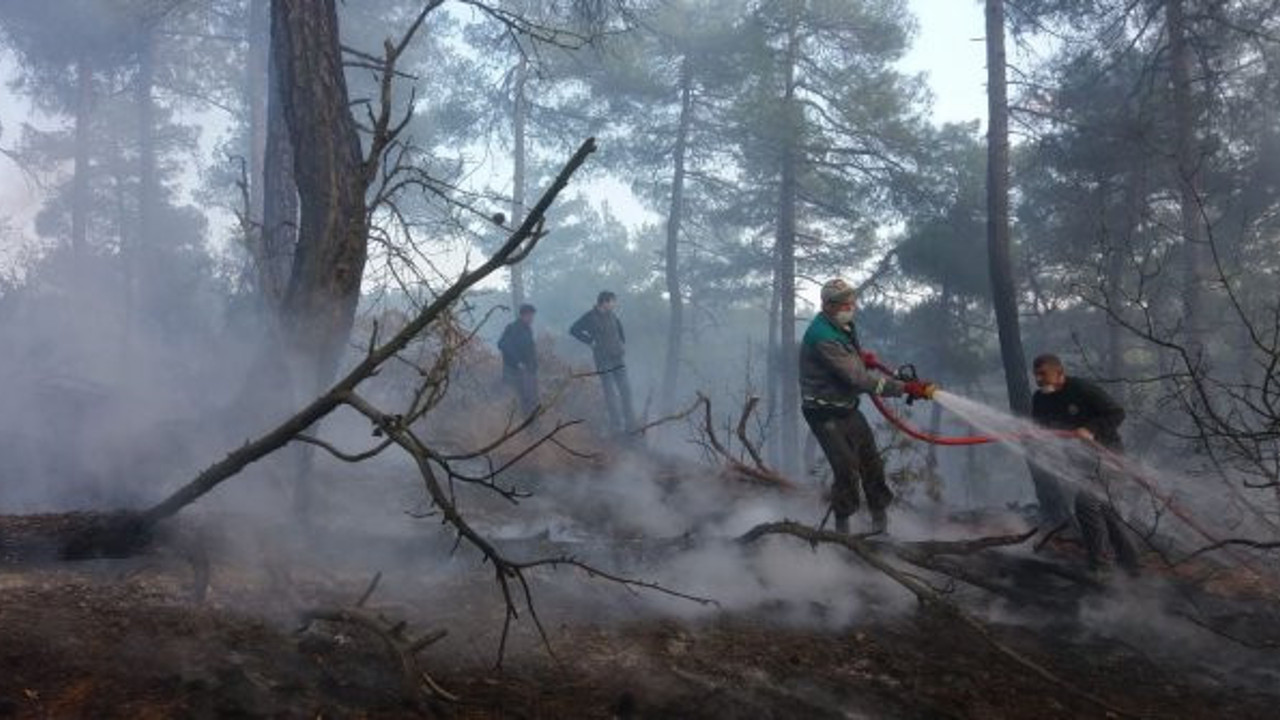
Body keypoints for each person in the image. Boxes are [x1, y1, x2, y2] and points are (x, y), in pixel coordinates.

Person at [800, 278, 937, 534]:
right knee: (847, 469)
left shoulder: (842, 325)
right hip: (823, 412)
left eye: (852, 302)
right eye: (845, 303)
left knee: (872, 464)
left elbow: (849, 356)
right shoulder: (821, 337)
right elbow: (857, 379)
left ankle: (880, 527)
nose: (851, 307)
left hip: (847, 408)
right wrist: (905, 388)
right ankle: (843, 534)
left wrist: (861, 357)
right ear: (828, 305)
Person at [1031, 353, 1140, 576]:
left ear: (1060, 372)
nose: (1039, 379)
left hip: (1109, 457)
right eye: (1036, 375)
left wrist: (1091, 429)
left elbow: (1117, 413)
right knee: (1105, 512)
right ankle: (1131, 566)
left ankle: (1100, 568)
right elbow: (1039, 428)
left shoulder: (1082, 389)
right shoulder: (1040, 399)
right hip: (1082, 463)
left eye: (1043, 374)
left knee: (1086, 502)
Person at [570, 291, 636, 434]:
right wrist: (590, 341)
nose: (614, 304)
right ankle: (617, 426)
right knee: (610, 393)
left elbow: (619, 328)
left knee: (626, 390)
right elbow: (573, 330)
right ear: (604, 302)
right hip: (603, 360)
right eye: (613, 301)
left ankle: (631, 425)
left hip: (617, 358)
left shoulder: (611, 315)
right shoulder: (590, 317)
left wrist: (622, 343)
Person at [498, 303, 539, 417]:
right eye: (530, 315)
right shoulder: (512, 328)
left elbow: (530, 350)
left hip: (527, 373)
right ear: (523, 315)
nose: (532, 318)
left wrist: (534, 366)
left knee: (529, 400)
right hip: (513, 372)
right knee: (515, 400)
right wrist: (518, 362)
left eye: (532, 316)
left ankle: (530, 425)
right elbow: (502, 344)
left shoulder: (528, 329)